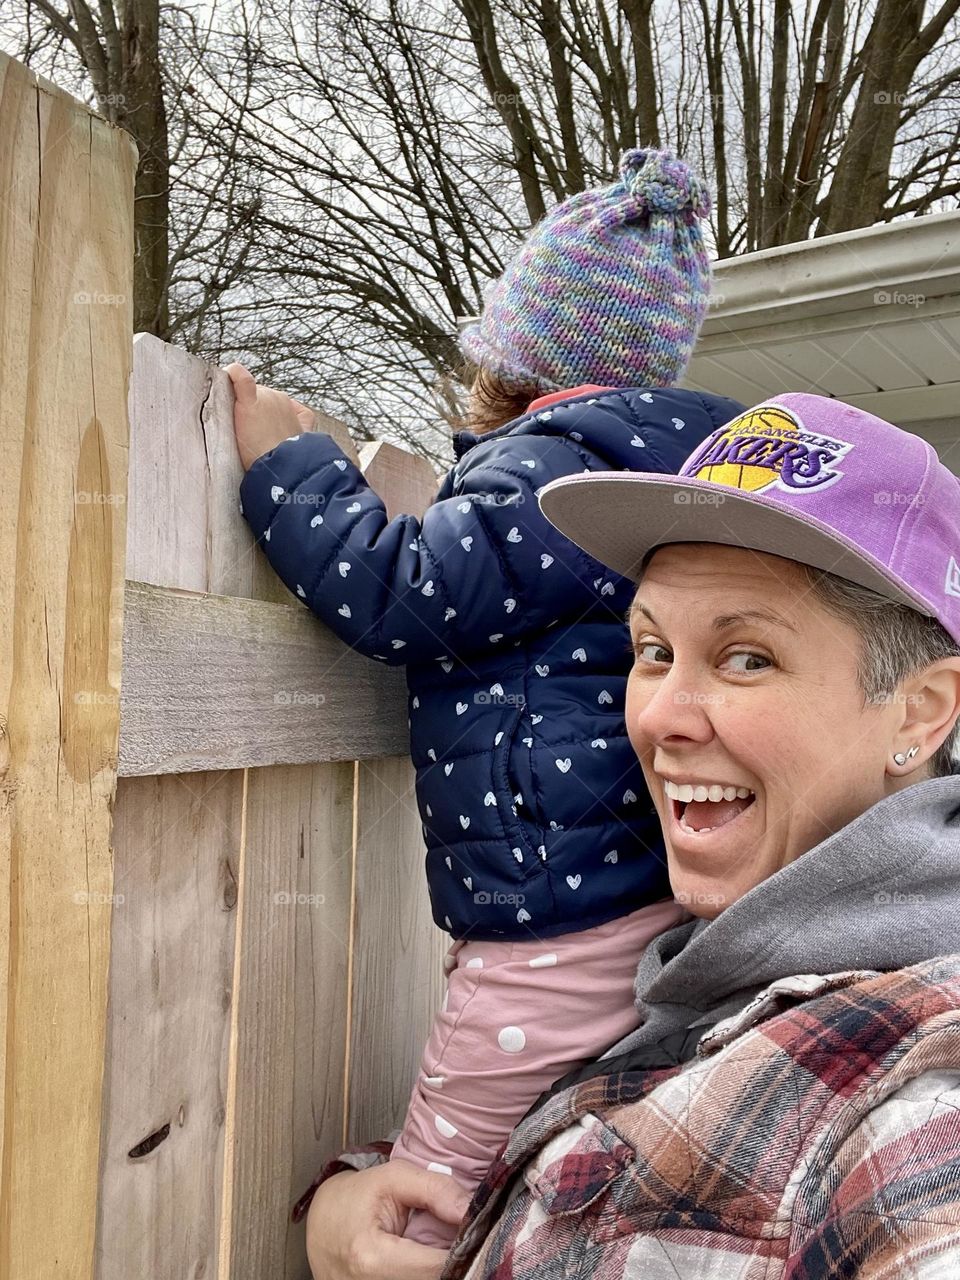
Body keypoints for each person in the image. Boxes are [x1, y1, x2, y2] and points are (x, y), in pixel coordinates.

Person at [303, 393, 960, 1279]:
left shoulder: (915, 1104)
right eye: (650, 651)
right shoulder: (707, 961)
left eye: (747, 657)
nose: (658, 717)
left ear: (919, 711)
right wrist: (350, 1208)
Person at [227, 149, 745, 1248]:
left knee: (443, 1183)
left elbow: (401, 590)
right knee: (556, 1151)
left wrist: (294, 468)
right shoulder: (661, 478)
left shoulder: (553, 472)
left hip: (550, 914)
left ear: (518, 361)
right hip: (615, 890)